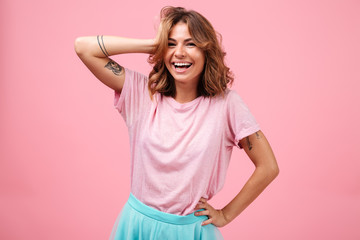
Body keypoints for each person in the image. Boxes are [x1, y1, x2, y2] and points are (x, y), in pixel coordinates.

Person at [74, 6, 279, 240]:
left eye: (190, 44)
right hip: (136, 227)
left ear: (206, 51)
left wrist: (226, 214)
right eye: (171, 44)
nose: (179, 53)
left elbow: (268, 166)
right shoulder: (142, 93)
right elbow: (83, 47)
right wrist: (154, 44)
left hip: (192, 232)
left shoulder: (227, 105)